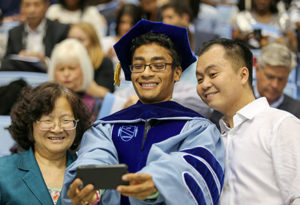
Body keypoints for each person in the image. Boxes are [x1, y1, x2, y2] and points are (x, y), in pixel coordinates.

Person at [61, 19, 225, 205]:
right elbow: (96, 156)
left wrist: (156, 184)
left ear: (177, 72)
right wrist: (89, 188)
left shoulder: (197, 129)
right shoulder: (106, 127)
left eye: (158, 65)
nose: (146, 73)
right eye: (138, 66)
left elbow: (195, 167)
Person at [196, 38, 300, 204]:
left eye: (212, 74)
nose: (204, 84)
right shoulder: (211, 136)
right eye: (199, 79)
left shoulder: (280, 124)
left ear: (243, 75)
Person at [0, 82, 91, 204]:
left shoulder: (89, 172)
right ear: (30, 124)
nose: (57, 129)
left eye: (66, 120)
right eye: (47, 120)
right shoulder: (3, 170)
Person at [2, 0, 69, 71]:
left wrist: (45, 61)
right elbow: (6, 61)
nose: (32, 10)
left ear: (46, 6)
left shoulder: (60, 30)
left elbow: (65, 61)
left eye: (37, 5)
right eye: (27, 5)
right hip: (20, 76)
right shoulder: (14, 32)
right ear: (21, 8)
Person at [48, 38, 102, 122]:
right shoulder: (46, 101)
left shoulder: (97, 104)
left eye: (72, 68)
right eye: (61, 69)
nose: (66, 74)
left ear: (84, 70)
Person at [230, 0, 297, 51]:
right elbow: (232, 42)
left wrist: (276, 42)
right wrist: (245, 38)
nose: (261, 1)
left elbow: (294, 45)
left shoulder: (283, 19)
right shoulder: (241, 17)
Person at [68, 22, 115, 95]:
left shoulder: (104, 62)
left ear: (92, 42)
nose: (75, 44)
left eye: (80, 40)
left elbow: (106, 95)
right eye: (71, 40)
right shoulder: (64, 62)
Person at [255, 42, 300, 118]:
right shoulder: (238, 103)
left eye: (281, 79)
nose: (275, 85)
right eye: (270, 77)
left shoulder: (297, 112)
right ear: (257, 70)